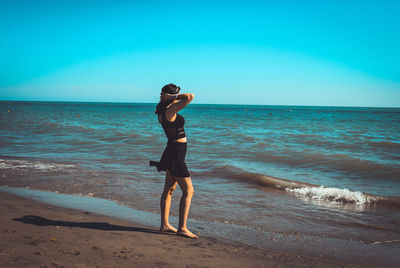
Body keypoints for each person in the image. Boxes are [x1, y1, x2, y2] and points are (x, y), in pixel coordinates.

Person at [150, 83, 198, 239]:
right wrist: (171, 97)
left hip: (172, 151)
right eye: (177, 94)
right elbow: (190, 96)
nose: (179, 95)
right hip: (176, 154)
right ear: (170, 95)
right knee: (188, 191)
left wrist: (170, 98)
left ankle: (164, 225)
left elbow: (184, 98)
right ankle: (182, 228)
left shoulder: (165, 110)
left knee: (169, 191)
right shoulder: (170, 110)